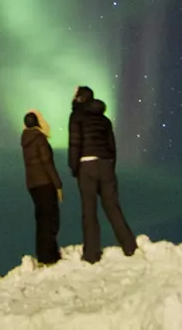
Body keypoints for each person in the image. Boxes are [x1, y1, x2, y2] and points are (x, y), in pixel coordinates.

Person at [67, 86, 137, 263]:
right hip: (106, 165)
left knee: (89, 211)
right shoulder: (104, 120)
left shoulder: (76, 117)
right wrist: (110, 165)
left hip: (86, 165)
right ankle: (129, 247)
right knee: (112, 206)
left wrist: (74, 167)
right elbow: (112, 147)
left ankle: (91, 254)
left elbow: (75, 143)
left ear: (80, 98)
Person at [21, 109, 63, 265]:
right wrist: (58, 184)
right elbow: (47, 163)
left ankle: (44, 254)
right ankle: (49, 256)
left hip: (33, 184)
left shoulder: (26, 139)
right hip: (45, 183)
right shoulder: (39, 139)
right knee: (50, 219)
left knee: (41, 219)